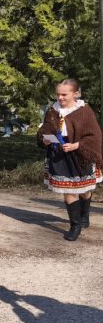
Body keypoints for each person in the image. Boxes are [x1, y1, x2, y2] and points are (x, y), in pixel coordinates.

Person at [36, 79, 103, 241]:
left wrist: (77, 145)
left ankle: (84, 215)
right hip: (59, 154)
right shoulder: (52, 110)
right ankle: (75, 225)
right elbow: (45, 129)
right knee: (69, 191)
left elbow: (95, 136)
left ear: (76, 94)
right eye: (58, 94)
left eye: (64, 94)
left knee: (84, 190)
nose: (60, 98)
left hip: (81, 155)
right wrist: (44, 139)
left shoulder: (84, 111)